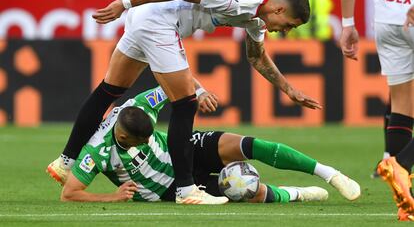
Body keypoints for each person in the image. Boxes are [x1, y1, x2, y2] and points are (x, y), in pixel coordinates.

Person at [47, 0, 322, 205]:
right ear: (279, 9)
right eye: (288, 25)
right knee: (186, 103)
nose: (284, 31)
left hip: (145, 19)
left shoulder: (255, 17)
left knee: (109, 90)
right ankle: (186, 189)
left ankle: (65, 161)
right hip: (158, 21)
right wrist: (124, 3)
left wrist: (288, 89)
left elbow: (256, 57)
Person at [60, 86, 360, 203]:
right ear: (123, 138)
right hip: (165, 187)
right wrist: (111, 197)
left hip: (183, 149)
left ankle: (329, 173)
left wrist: (199, 91)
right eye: (142, 141)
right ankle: (296, 194)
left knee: (244, 143)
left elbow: (176, 79)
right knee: (247, 190)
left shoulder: (141, 105)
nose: (147, 142)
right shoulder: (97, 151)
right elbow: (69, 193)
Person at [339, 0, 414, 221]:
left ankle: (405, 200)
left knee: (402, 105)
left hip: (385, 15)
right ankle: (401, 164)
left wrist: (348, 23)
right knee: (403, 104)